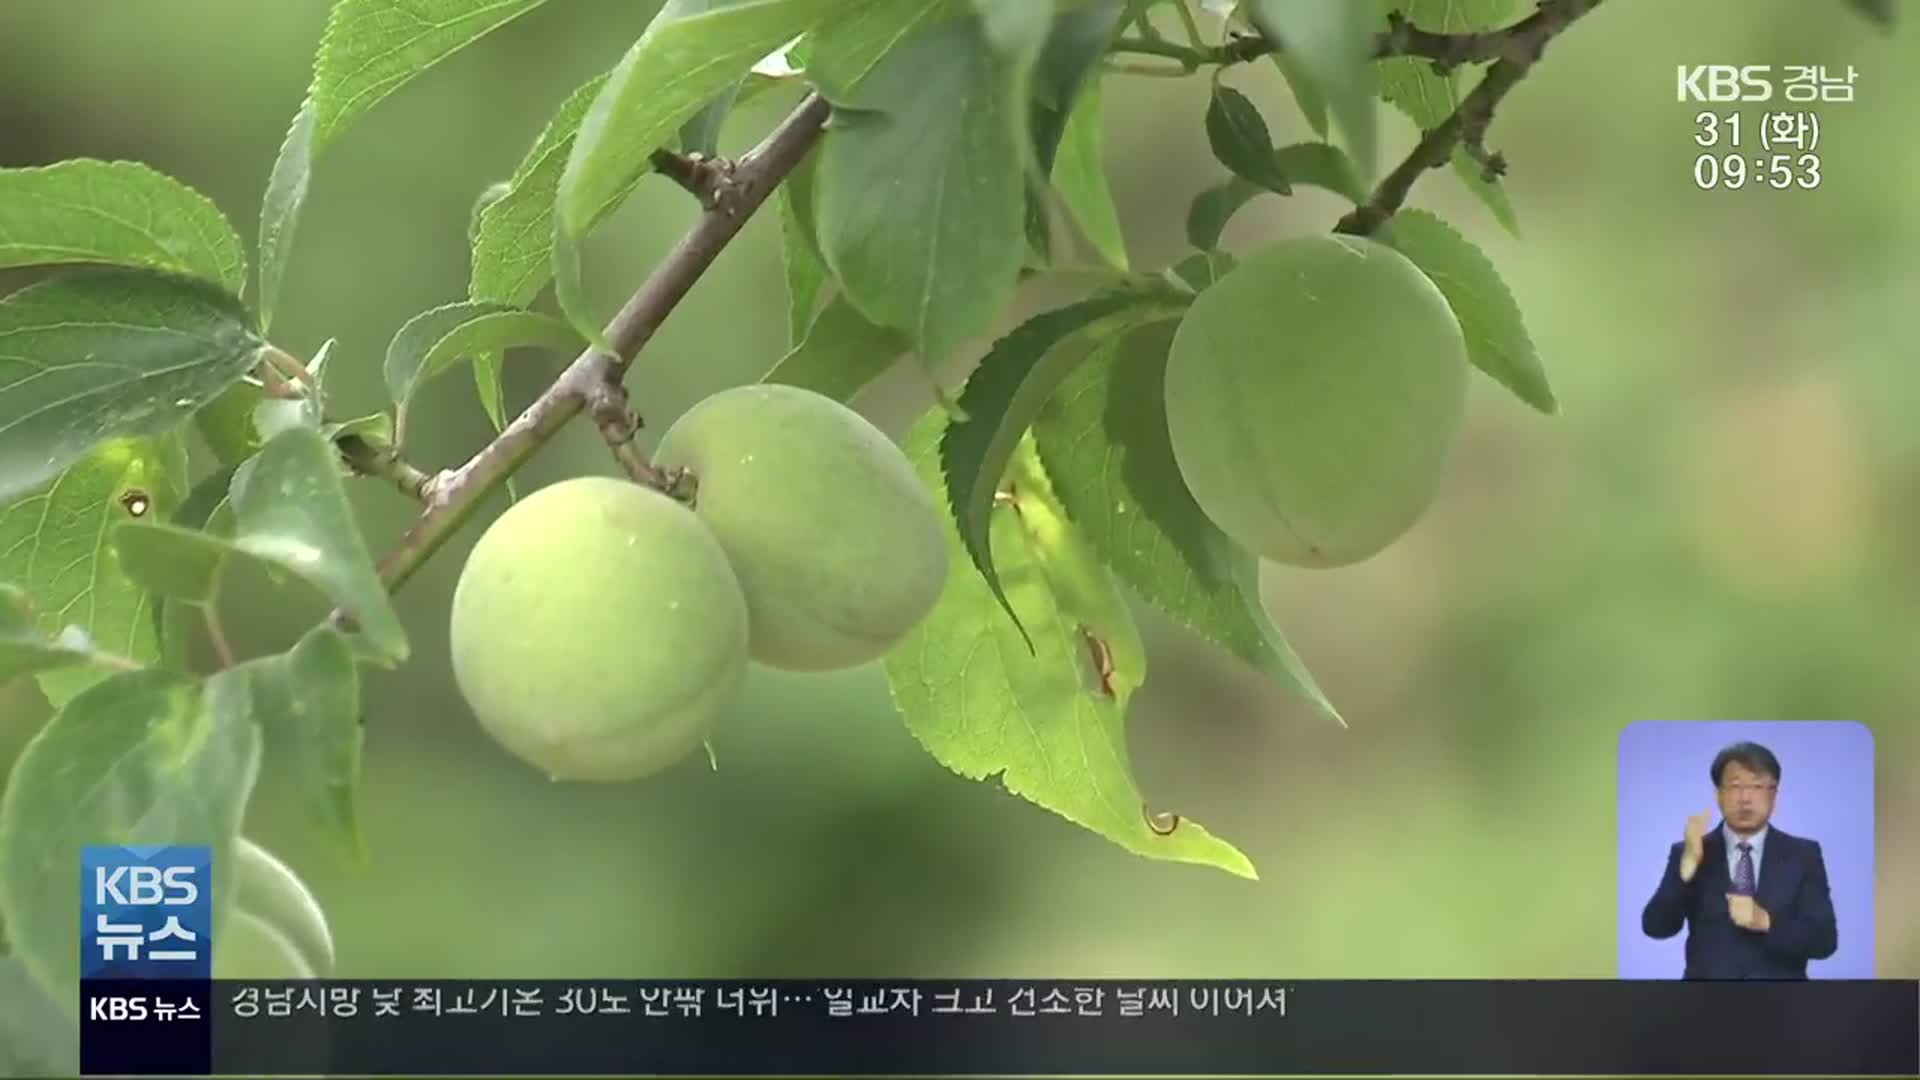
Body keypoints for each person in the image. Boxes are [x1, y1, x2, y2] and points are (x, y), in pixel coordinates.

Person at [1640, 741, 1837, 978]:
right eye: (1735, 786)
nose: (1745, 798)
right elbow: (1656, 927)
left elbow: (1824, 941)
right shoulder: (1689, 852)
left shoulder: (1804, 855)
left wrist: (1766, 922)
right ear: (1718, 794)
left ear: (1774, 794)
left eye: (1756, 786)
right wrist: (1686, 870)